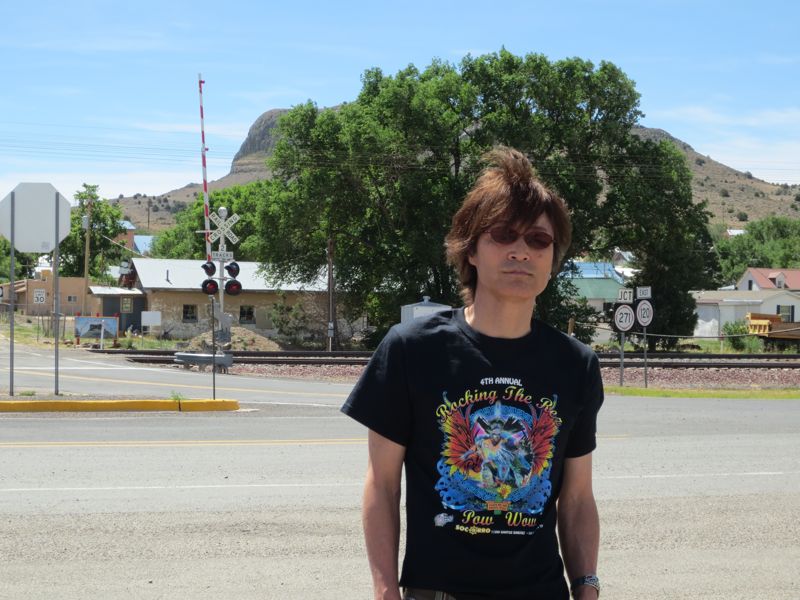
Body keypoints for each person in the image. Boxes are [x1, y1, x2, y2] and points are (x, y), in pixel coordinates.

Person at [342, 147, 604, 600]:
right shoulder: (411, 349)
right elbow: (381, 484)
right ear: (472, 250)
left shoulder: (576, 364)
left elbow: (577, 497)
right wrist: (385, 590)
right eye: (503, 235)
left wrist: (587, 586)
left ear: (552, 259)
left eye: (538, 240)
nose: (521, 251)